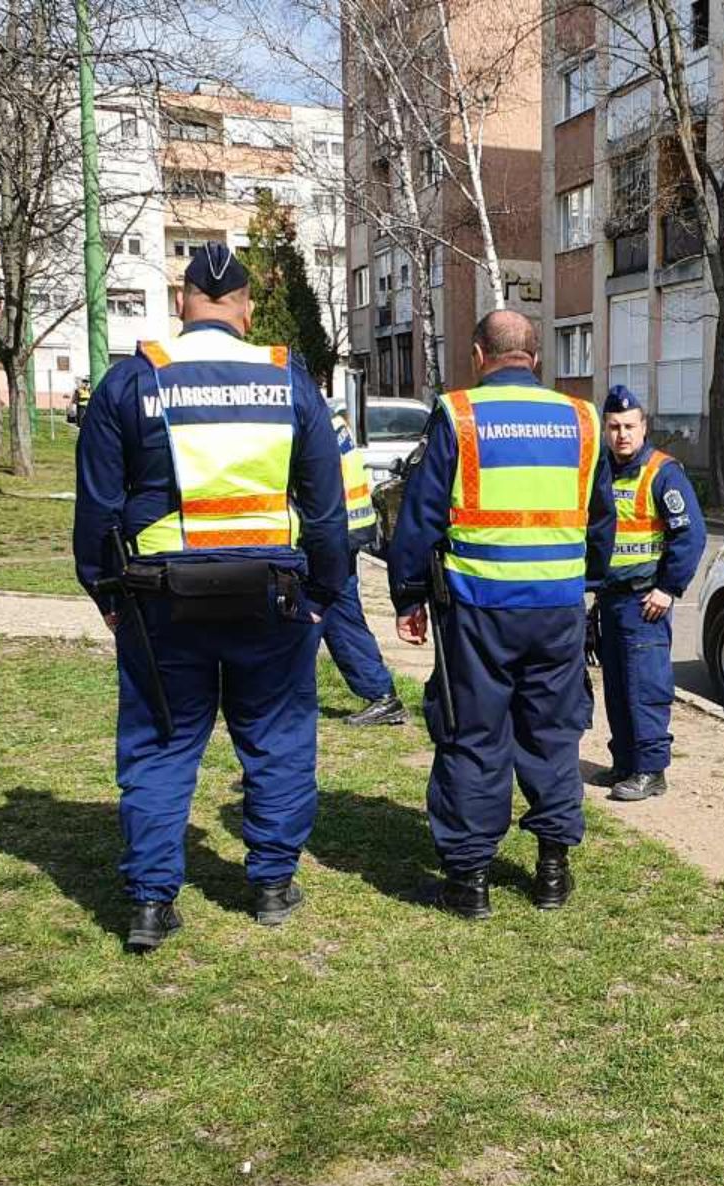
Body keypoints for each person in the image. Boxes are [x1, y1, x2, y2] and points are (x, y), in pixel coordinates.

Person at [73, 242, 352, 952]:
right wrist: (324, 592)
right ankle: (269, 883)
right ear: (245, 307)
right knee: (277, 739)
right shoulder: (288, 378)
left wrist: (105, 593)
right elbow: (325, 508)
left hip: (160, 599)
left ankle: (149, 903)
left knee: (160, 747)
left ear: (182, 301)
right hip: (274, 598)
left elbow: (99, 511)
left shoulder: (131, 380)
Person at [387, 310, 612, 920]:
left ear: (480, 356)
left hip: (478, 610)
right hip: (558, 609)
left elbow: (421, 515)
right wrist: (580, 584)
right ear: (536, 359)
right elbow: (601, 522)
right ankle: (552, 871)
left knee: (473, 734)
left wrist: (408, 594)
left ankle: (470, 880)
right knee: (553, 734)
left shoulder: (459, 414)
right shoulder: (583, 420)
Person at [592, 385, 706, 800]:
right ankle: (625, 762)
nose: (622, 434)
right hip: (611, 598)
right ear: (606, 430)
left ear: (644, 427)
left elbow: (690, 536)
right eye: (614, 427)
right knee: (619, 688)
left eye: (629, 426)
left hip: (645, 602)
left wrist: (668, 589)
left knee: (646, 687)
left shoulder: (663, 472)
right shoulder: (602, 470)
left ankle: (652, 770)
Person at [322, 398, 408, 726]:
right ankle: (381, 695)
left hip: (329, 531)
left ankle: (278, 697)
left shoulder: (308, 419)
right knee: (337, 612)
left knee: (311, 613)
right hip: (346, 528)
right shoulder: (330, 418)